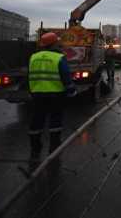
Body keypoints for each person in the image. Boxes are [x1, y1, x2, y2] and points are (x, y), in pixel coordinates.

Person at [28, 32, 76, 167]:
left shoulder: (33, 57)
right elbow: (65, 76)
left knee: (37, 120)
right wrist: (71, 90)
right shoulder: (59, 57)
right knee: (55, 120)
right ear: (54, 43)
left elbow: (29, 76)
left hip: (37, 94)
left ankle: (35, 149)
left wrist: (31, 91)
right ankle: (54, 148)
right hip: (56, 94)